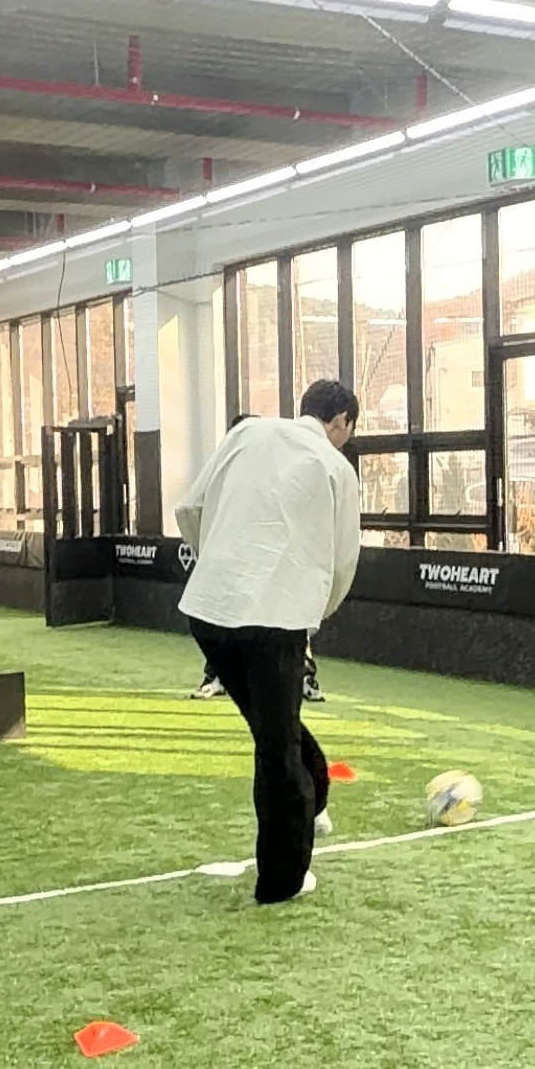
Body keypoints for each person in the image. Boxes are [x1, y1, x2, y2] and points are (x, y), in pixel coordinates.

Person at [175, 379, 361, 904]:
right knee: (277, 748)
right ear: (340, 422)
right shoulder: (336, 468)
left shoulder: (247, 434)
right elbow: (342, 561)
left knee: (272, 727)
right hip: (275, 621)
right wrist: (313, 613)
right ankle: (282, 881)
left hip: (209, 613)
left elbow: (190, 508)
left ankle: (315, 791)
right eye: (347, 431)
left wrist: (218, 561)